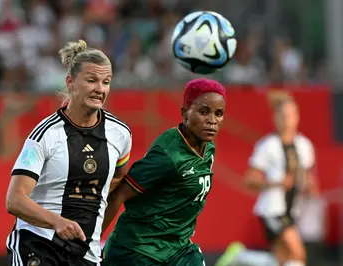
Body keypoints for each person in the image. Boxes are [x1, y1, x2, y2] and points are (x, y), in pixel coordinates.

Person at [5, 39, 132, 266]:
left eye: (106, 82)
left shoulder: (120, 134)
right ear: (70, 82)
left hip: (85, 253)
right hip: (37, 244)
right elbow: (14, 200)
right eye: (91, 80)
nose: (100, 89)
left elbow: (118, 179)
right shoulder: (44, 134)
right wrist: (56, 222)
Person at [100, 78, 226, 266]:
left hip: (178, 249)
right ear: (184, 113)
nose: (212, 121)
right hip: (138, 251)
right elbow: (118, 195)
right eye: (203, 112)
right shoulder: (167, 156)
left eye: (219, 114)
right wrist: (89, 243)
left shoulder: (208, 148)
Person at [216, 96, 317, 266]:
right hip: (272, 210)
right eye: (283, 115)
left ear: (298, 116)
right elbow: (249, 180)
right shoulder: (268, 145)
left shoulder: (305, 146)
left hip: (292, 210)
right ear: (275, 118)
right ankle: (241, 257)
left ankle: (241, 257)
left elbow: (308, 177)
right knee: (298, 254)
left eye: (291, 115)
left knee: (283, 261)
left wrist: (310, 186)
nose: (287, 120)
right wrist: (277, 184)